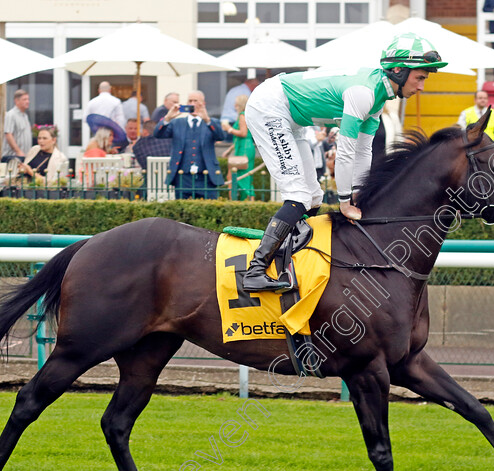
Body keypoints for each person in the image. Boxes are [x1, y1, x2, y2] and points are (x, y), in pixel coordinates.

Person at [242, 32, 446, 291]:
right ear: (398, 70)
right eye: (419, 78)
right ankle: (255, 271)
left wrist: (359, 195)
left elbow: (363, 151)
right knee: (299, 196)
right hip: (269, 107)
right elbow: (346, 152)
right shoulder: (364, 93)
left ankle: (296, 257)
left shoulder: (378, 96)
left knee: (314, 197)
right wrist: (345, 203)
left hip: (291, 116)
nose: (421, 87)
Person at [154, 90, 226, 199]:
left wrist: (207, 119)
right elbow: (158, 134)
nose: (192, 104)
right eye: (190, 101)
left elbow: (221, 136)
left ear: (203, 104)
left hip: (206, 177)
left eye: (195, 101)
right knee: (182, 211)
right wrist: (168, 118)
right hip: (183, 176)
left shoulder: (211, 122)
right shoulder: (176, 123)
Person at [221, 94, 256, 201]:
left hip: (243, 148)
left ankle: (237, 200)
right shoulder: (247, 115)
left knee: (236, 175)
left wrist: (229, 129)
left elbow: (243, 133)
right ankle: (247, 199)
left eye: (236, 103)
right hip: (246, 146)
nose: (234, 105)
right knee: (244, 175)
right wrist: (229, 149)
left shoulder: (242, 115)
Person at [2, 89, 31, 163]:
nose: (27, 102)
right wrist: (18, 151)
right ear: (16, 101)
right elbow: (8, 134)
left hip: (23, 156)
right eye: (24, 99)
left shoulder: (25, 116)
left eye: (28, 99)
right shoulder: (11, 115)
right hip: (13, 156)